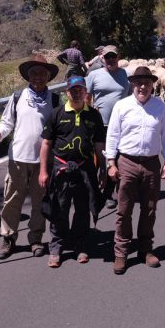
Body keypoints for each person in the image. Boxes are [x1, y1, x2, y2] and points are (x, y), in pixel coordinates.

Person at [0, 54, 61, 260]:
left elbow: (58, 129)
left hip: (42, 161)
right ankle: (8, 238)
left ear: (48, 76)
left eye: (42, 73)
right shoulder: (18, 97)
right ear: (28, 76)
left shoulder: (55, 100)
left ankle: (36, 239)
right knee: (12, 200)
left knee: (39, 201)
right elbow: (6, 123)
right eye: (34, 73)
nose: (37, 77)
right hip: (18, 158)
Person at [105, 66, 165, 274]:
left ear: (152, 84)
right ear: (132, 84)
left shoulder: (159, 106)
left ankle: (145, 249)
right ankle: (121, 252)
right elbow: (113, 135)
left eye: (146, 82)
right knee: (124, 210)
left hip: (152, 163)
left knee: (149, 209)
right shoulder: (122, 106)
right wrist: (111, 162)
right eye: (138, 83)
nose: (142, 86)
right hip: (127, 162)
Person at [38, 75, 106, 268]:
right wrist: (43, 171)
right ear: (67, 92)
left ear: (85, 92)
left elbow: (99, 145)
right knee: (59, 208)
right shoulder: (56, 113)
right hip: (61, 169)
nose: (77, 94)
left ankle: (80, 244)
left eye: (80, 90)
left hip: (85, 168)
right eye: (73, 91)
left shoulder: (94, 115)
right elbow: (46, 143)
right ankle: (56, 248)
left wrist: (102, 168)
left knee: (83, 208)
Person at [85, 45, 131, 209]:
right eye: (107, 57)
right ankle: (93, 190)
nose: (110, 59)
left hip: (120, 125)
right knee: (97, 159)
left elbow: (131, 98)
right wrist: (86, 120)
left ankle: (109, 193)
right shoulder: (94, 75)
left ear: (118, 57)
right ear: (102, 58)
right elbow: (87, 98)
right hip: (99, 125)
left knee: (116, 159)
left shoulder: (125, 74)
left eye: (113, 56)